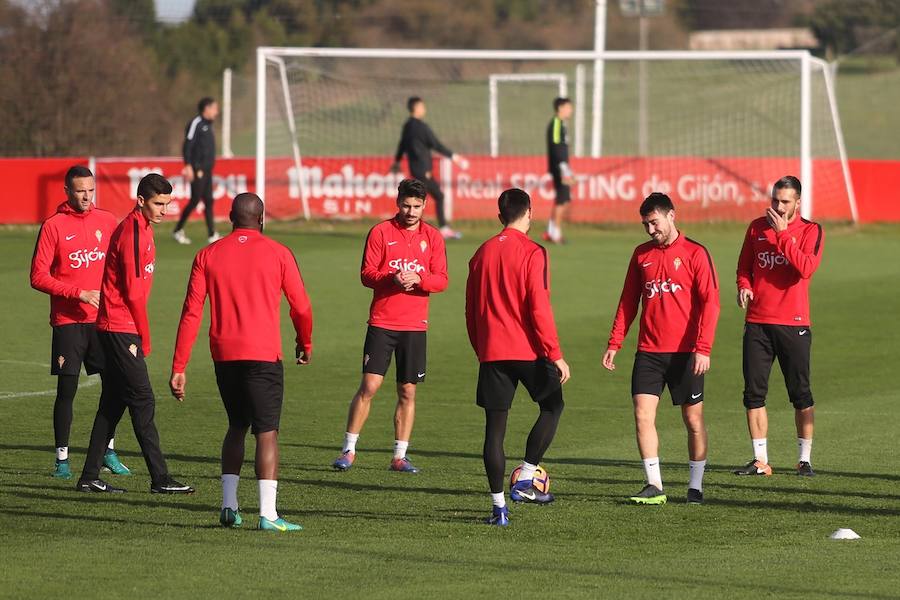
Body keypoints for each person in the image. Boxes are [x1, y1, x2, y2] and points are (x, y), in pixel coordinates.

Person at [169, 192, 313, 532]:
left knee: (237, 425)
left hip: (224, 355)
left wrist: (179, 366)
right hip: (263, 354)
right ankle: (268, 514)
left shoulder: (207, 254)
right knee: (266, 431)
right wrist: (303, 342)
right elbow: (302, 307)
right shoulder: (279, 253)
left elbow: (191, 312)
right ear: (262, 219)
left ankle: (229, 506)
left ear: (230, 217)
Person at [76, 173, 193, 495]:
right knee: (142, 399)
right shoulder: (132, 233)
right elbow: (133, 293)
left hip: (118, 326)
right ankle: (160, 478)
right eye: (158, 203)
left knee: (112, 403)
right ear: (141, 200)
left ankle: (88, 476)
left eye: (167, 204)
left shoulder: (142, 228)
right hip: (119, 328)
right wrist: (145, 335)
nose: (164, 210)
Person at [602, 193, 720, 505]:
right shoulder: (641, 255)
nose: (650, 229)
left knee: (693, 421)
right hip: (649, 352)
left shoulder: (695, 253)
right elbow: (628, 301)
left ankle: (695, 486)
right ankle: (654, 485)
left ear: (671, 216)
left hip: (686, 354)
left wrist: (703, 348)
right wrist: (615, 342)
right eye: (645, 224)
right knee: (642, 415)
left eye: (654, 222)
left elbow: (711, 303)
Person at [466, 188, 571, 526]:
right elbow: (539, 307)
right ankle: (526, 477)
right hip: (527, 349)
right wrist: (555, 354)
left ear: (500, 217)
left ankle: (498, 509)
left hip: (492, 352)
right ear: (530, 212)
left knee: (494, 431)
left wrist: (481, 348)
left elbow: (471, 311)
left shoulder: (481, 253)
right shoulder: (533, 251)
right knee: (553, 406)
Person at [331, 178, 448, 474]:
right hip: (382, 322)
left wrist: (420, 280)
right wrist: (390, 278)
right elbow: (366, 274)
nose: (411, 211)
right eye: (406, 205)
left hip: (415, 326)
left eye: (417, 206)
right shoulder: (381, 232)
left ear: (424, 206)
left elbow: (442, 279)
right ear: (398, 203)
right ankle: (348, 450)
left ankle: (399, 456)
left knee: (407, 391)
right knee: (370, 386)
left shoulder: (433, 237)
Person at [30, 165, 130, 479]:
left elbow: (119, 265)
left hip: (103, 322)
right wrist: (79, 294)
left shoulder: (107, 220)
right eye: (79, 191)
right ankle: (62, 460)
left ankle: (107, 452)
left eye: (90, 190)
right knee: (67, 390)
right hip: (68, 322)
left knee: (114, 388)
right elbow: (37, 276)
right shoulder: (53, 226)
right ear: (67, 191)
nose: (86, 197)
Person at [732, 175, 824, 478]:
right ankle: (761, 460)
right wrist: (744, 285)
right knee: (753, 394)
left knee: (800, 394)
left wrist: (783, 234)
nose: (779, 206)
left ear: (798, 202)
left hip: (794, 324)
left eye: (785, 201)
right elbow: (745, 266)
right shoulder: (756, 228)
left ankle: (804, 460)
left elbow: (806, 268)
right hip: (757, 323)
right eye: (775, 200)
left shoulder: (811, 230)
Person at [391, 96, 467, 240]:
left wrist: (397, 161)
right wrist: (455, 157)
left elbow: (402, 144)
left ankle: (421, 229)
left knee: (427, 198)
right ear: (417, 107)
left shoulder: (407, 126)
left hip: (416, 169)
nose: (424, 109)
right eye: (423, 107)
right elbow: (436, 144)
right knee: (428, 198)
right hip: (423, 170)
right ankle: (427, 230)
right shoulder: (421, 127)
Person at [173, 97, 220, 245]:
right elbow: (188, 145)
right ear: (206, 108)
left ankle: (212, 234)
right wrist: (188, 166)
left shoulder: (208, 124)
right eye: (214, 108)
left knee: (209, 201)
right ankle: (177, 230)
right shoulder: (196, 123)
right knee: (195, 200)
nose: (216, 112)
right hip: (197, 169)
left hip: (207, 170)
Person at [543, 97, 575, 245]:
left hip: (562, 167)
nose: (571, 110)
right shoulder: (556, 123)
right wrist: (564, 170)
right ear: (561, 108)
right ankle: (555, 233)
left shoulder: (562, 124)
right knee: (562, 200)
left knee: (562, 199)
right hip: (559, 167)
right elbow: (556, 148)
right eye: (569, 107)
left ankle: (551, 231)